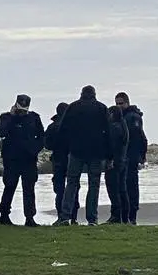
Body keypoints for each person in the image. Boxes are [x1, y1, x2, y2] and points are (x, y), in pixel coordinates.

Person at [55, 86, 111, 227]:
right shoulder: (101, 108)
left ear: (81, 94)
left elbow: (62, 130)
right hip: (96, 152)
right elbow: (108, 133)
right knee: (94, 185)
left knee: (72, 183)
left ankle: (65, 217)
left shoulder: (73, 107)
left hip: (76, 151)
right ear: (94, 95)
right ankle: (92, 219)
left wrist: (68, 147)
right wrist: (109, 155)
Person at [0, 94, 45, 227]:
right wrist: (12, 117)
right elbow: (1, 132)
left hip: (29, 159)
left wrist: (34, 149)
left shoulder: (34, 118)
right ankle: (4, 215)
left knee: (29, 188)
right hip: (11, 159)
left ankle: (30, 217)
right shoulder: (6, 117)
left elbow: (42, 137)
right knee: (9, 186)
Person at [116, 92, 148, 225]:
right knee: (123, 187)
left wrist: (141, 157)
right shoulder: (121, 117)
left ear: (127, 103)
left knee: (131, 186)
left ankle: (132, 215)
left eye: (121, 103)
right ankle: (124, 215)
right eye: (117, 103)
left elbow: (139, 138)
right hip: (123, 157)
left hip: (131, 157)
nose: (119, 106)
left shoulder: (133, 117)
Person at [44, 103, 79, 224]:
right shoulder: (74, 126)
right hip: (72, 160)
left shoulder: (52, 127)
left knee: (59, 190)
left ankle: (61, 216)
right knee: (73, 187)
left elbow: (47, 144)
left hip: (58, 160)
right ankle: (73, 218)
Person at [105, 106, 130, 223]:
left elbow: (112, 146)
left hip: (115, 162)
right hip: (123, 160)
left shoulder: (114, 128)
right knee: (122, 189)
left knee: (113, 190)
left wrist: (110, 159)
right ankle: (125, 217)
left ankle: (116, 216)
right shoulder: (123, 126)